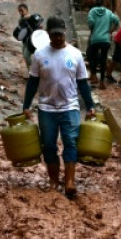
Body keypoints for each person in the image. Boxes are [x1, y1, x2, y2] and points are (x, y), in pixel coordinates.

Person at [21, 16, 97, 199]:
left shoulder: (76, 54)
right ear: (48, 34)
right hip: (47, 108)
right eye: (54, 35)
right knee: (48, 145)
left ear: (65, 33)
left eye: (61, 35)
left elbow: (82, 83)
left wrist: (90, 105)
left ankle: (69, 181)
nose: (58, 38)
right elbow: (32, 82)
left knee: (71, 142)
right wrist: (26, 105)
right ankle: (54, 181)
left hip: (70, 107)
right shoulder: (39, 55)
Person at [86, 0, 121, 90]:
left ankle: (94, 77)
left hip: (95, 39)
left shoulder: (92, 11)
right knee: (103, 60)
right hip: (105, 39)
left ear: (95, 4)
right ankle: (102, 83)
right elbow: (117, 21)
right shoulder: (108, 12)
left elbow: (91, 23)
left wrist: (93, 31)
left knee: (91, 58)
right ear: (103, 4)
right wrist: (110, 31)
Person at [13, 5, 44, 71]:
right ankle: (30, 71)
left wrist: (39, 27)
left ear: (26, 10)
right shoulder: (21, 20)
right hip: (25, 42)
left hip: (32, 41)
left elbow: (39, 23)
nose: (21, 13)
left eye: (22, 10)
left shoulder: (33, 18)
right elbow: (21, 23)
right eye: (19, 11)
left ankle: (36, 69)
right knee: (25, 56)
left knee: (27, 56)